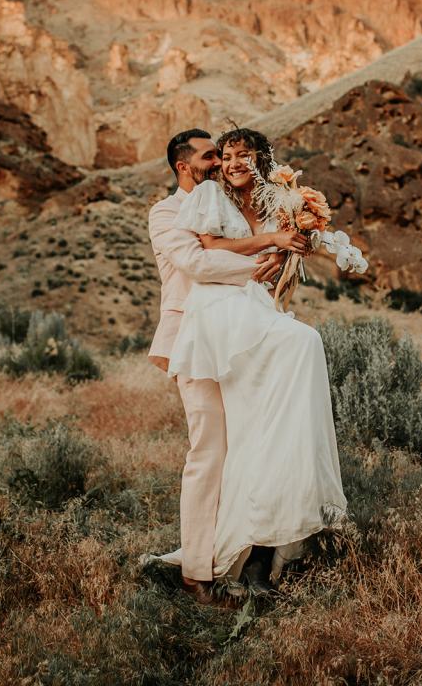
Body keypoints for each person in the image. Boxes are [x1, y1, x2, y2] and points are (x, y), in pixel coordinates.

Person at [166, 127, 347, 585]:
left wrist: (292, 250)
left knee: (270, 418)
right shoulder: (210, 197)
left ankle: (276, 537)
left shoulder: (276, 204)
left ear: (261, 159)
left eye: (240, 155)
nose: (229, 163)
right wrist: (271, 248)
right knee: (303, 342)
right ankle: (239, 551)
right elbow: (206, 254)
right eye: (223, 156)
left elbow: (283, 270)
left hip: (256, 307)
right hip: (220, 311)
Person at [147, 128, 285, 605]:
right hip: (193, 340)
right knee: (208, 453)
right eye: (209, 157)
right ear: (184, 166)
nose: (218, 163)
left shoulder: (230, 206)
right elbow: (197, 264)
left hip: (241, 337)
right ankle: (195, 574)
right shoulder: (165, 213)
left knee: (251, 446)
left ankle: (246, 558)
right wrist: (263, 260)